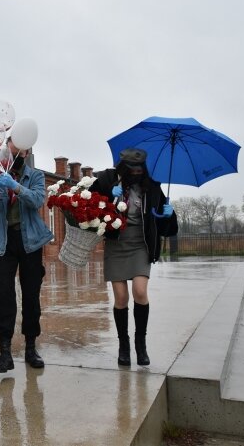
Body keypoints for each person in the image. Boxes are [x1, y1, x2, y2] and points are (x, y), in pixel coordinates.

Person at [89, 147, 178, 366]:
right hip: (116, 244)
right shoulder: (107, 179)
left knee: (139, 291)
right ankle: (124, 345)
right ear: (124, 168)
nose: (137, 173)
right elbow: (90, 207)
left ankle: (141, 344)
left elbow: (169, 229)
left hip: (140, 244)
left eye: (140, 169)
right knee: (121, 298)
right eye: (132, 169)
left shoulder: (153, 187)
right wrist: (110, 196)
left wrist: (169, 214)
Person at [0, 139, 54, 372]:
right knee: (5, 296)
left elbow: (37, 200)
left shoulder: (36, 176)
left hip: (30, 242)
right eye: (12, 145)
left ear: (28, 150)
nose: (16, 150)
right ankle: (4, 353)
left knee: (31, 295)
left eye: (21, 147)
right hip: (5, 243)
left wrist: (15, 186)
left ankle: (31, 348)